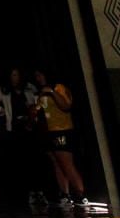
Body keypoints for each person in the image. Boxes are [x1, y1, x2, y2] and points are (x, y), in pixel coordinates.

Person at [32, 69, 87, 207]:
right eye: (36, 76)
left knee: (66, 163)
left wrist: (51, 92)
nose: (38, 79)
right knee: (57, 163)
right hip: (48, 132)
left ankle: (80, 194)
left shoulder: (59, 88)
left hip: (62, 130)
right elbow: (40, 109)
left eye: (40, 75)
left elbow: (65, 105)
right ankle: (65, 194)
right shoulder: (40, 92)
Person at [0, 67, 37, 201]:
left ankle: (36, 191)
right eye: (14, 75)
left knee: (32, 159)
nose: (16, 77)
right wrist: (1, 111)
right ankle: (24, 192)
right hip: (15, 127)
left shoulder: (28, 88)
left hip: (30, 124)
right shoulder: (4, 90)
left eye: (18, 74)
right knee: (19, 159)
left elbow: (36, 101)